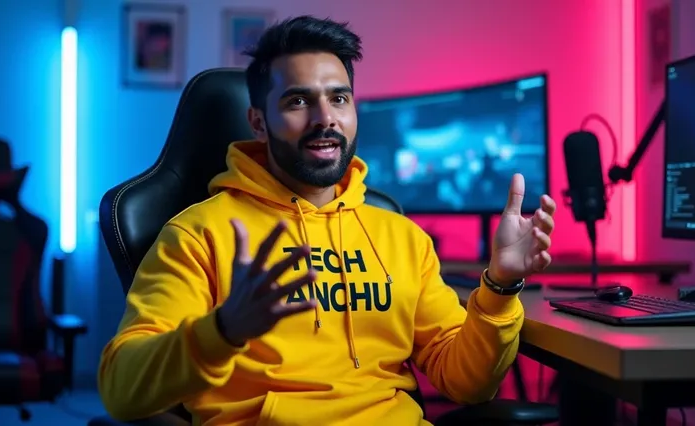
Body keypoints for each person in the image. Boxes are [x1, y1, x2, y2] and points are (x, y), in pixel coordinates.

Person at [98, 15, 557, 426]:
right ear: (258, 123)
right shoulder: (200, 234)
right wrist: (222, 331)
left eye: (339, 98)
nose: (325, 119)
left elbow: (468, 384)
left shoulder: (401, 237)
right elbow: (121, 389)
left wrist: (499, 285)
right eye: (298, 101)